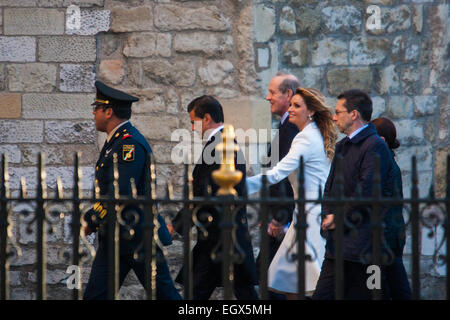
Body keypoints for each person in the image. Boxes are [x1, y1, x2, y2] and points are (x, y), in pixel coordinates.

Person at [83, 80, 181, 300]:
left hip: (137, 236)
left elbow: (121, 191)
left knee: (165, 294)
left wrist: (91, 218)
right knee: (96, 295)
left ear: (108, 112)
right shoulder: (115, 142)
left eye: (96, 109)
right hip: (116, 236)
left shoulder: (129, 145)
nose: (93, 114)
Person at [247, 87, 337, 299]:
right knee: (291, 285)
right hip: (305, 217)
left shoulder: (305, 138)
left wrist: (238, 186)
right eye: (291, 105)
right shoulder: (313, 134)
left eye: (297, 106)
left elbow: (277, 173)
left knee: (311, 286)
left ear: (311, 111)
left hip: (311, 222)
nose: (291, 109)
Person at [170, 95, 259, 300]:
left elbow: (205, 195)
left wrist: (177, 225)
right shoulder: (221, 143)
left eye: (194, 122)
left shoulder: (220, 146)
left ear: (207, 118)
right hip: (219, 236)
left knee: (200, 293)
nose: (192, 128)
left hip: (220, 236)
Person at [313, 89, 394, 300]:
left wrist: (337, 217)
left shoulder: (375, 146)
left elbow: (367, 191)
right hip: (337, 247)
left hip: (366, 250)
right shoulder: (342, 146)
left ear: (354, 114)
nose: (333, 116)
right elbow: (329, 189)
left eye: (338, 112)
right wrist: (327, 215)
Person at [257, 71, 300, 300]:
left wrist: (278, 217)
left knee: (275, 285)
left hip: (284, 224)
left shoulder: (292, 132)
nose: (267, 97)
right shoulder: (285, 129)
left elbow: (285, 178)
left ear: (288, 95)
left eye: (272, 92)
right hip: (278, 220)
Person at [371, 117, 411, 300]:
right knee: (389, 282)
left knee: (386, 284)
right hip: (390, 234)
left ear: (381, 140)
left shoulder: (383, 164)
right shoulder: (385, 162)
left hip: (386, 235)